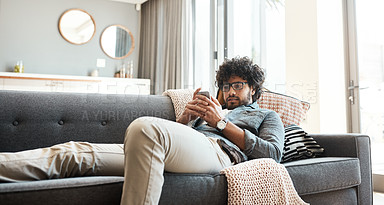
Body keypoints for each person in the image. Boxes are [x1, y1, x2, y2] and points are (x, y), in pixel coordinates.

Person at [0, 56, 284, 205]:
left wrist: (221, 123)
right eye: (226, 85)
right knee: (76, 153)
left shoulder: (267, 115)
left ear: (254, 89)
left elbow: (273, 154)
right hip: (182, 149)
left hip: (220, 156)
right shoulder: (210, 110)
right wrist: (185, 118)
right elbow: (169, 142)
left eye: (238, 85)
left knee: (145, 128)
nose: (230, 91)